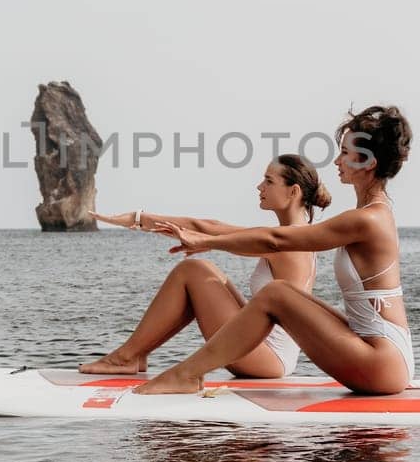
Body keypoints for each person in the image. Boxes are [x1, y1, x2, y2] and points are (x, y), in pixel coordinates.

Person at [135, 105, 414, 396]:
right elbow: (273, 238)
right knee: (280, 293)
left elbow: (277, 240)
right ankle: (182, 371)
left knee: (275, 293)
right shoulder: (370, 213)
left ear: (368, 163)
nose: (337, 160)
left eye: (345, 153)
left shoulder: (368, 219)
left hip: (382, 362)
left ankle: (187, 374)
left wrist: (206, 242)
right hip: (380, 355)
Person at [82, 154, 331, 378]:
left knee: (193, 270)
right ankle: (137, 353)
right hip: (267, 352)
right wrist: (212, 242)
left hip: (267, 358)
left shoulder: (284, 242)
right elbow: (212, 229)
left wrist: (136, 219)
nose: (259, 186)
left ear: (293, 191)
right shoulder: (294, 235)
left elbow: (206, 226)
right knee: (204, 270)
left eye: (268, 181)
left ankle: (127, 356)